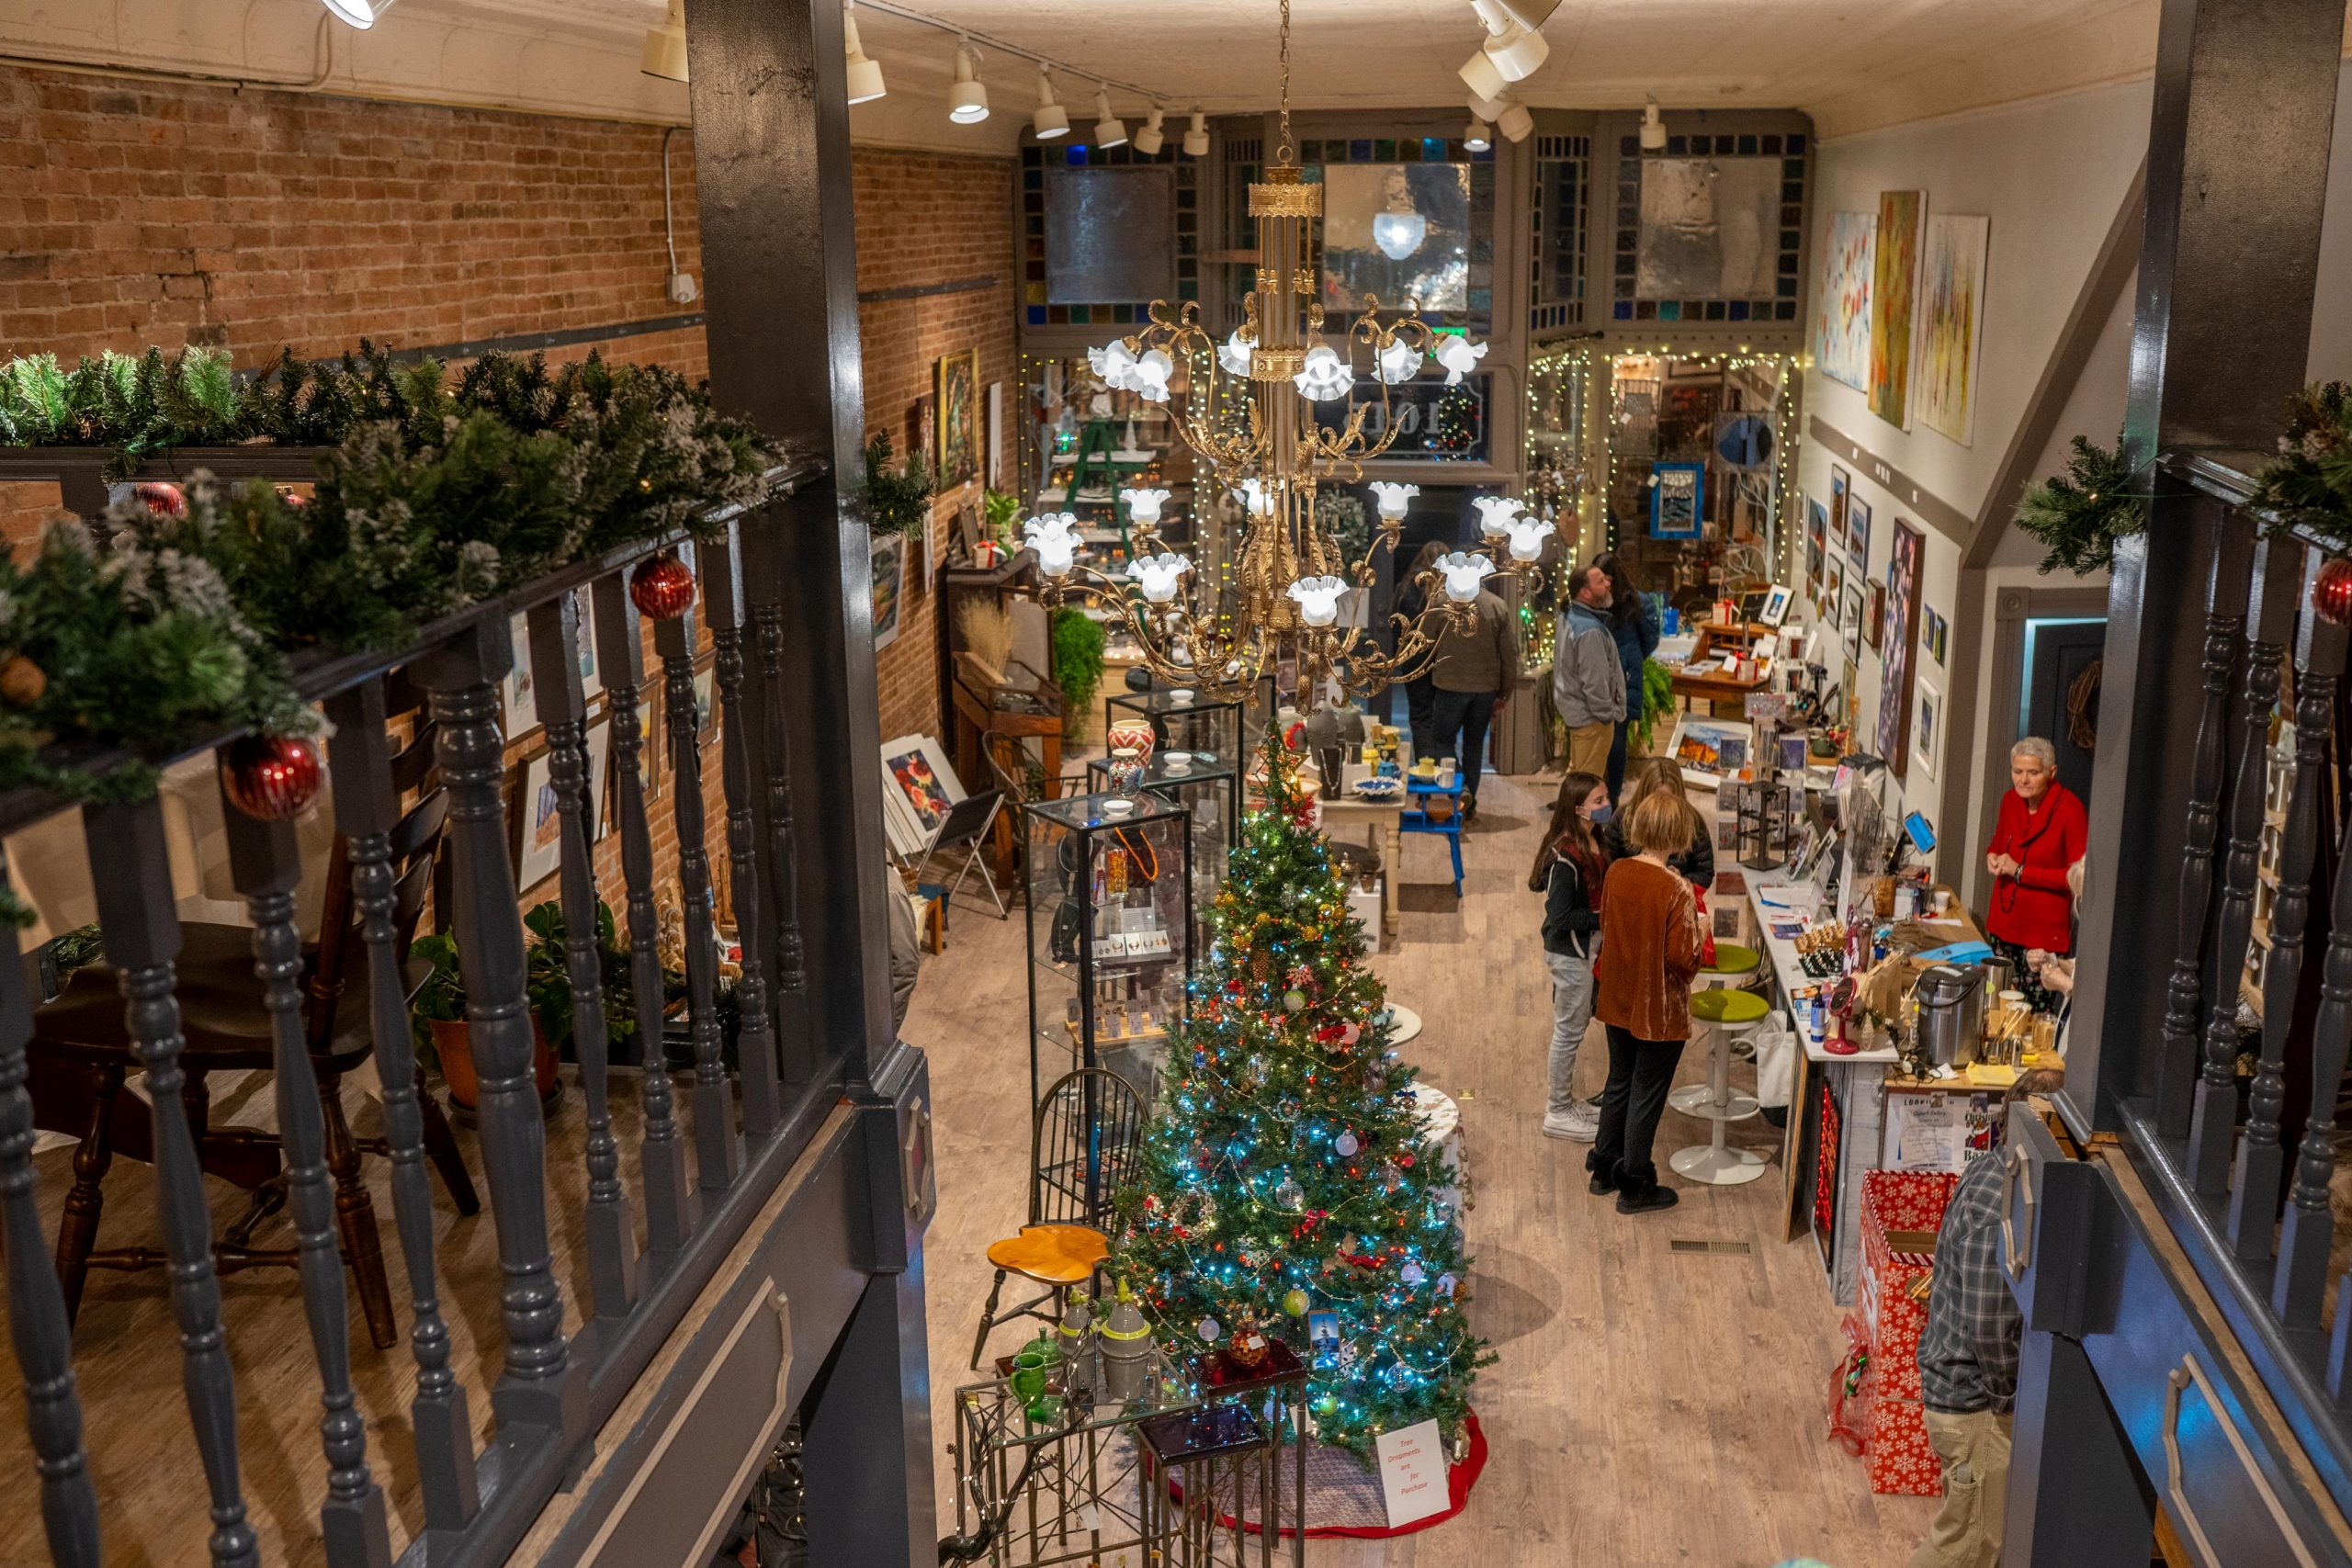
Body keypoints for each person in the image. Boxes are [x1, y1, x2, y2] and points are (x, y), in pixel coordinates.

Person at [1910, 1069, 2065, 1568]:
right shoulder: (1997, 1199)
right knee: (1965, 1548)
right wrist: (2010, 1402)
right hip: (1974, 1404)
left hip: (1966, 1395)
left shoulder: (1994, 1172)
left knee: (1970, 1538)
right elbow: (1988, 1318)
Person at [1589, 786, 1706, 1213]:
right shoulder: (1675, 889)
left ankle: (1604, 1166)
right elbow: (1683, 961)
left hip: (1618, 999)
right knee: (1647, 1092)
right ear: (1678, 834)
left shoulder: (1617, 871)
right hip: (1658, 1010)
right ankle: (1635, 1184)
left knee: (1618, 1081)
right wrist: (1702, 935)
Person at [1531, 769, 1612, 1143]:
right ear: (1579, 808)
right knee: (1568, 1031)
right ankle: (1557, 1110)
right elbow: (1560, 916)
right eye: (1599, 801)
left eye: (1606, 798)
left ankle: (1565, 1102)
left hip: (1585, 951)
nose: (1606, 805)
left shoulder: (1595, 841)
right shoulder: (1566, 856)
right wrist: (1603, 918)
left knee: (1574, 1028)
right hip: (1571, 955)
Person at [1984, 738, 2087, 1014]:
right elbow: (1998, 842)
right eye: (2017, 771)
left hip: (2042, 936)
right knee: (1996, 1008)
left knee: (2031, 1017)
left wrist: (2020, 871)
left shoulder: (2070, 810)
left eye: (2033, 772)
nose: (2023, 780)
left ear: (2051, 773)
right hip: (2003, 926)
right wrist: (1992, 857)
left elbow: (2076, 878)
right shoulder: (2009, 801)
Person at [1427, 556, 1520, 820]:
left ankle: (1460, 788)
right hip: (1485, 688)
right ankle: (1470, 805)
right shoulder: (1497, 606)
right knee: (1474, 744)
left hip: (1449, 684)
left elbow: (1424, 641)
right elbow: (1508, 655)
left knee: (1443, 740)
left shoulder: (1442, 603)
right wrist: (1505, 692)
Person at [1592, 552, 1660, 802]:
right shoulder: (1591, 602)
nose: (1605, 585)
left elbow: (1651, 639)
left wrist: (1630, 660)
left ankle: (1613, 796)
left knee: (1617, 741)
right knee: (1594, 740)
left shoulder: (1637, 601)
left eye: (1608, 579)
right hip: (1596, 678)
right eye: (1601, 579)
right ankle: (1592, 795)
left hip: (1624, 678)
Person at [1554, 559, 1625, 783]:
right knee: (1587, 787)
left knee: (1578, 778)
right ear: (1585, 592)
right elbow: (1594, 681)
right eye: (1600, 581)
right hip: (1591, 720)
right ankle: (1578, 819)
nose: (1608, 583)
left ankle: (1570, 817)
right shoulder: (1589, 630)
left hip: (1580, 715)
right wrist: (1606, 716)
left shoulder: (1570, 616)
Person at [1606, 755, 1714, 891]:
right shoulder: (1623, 817)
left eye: (1669, 799)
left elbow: (1705, 872)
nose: (1663, 807)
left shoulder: (1693, 822)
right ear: (1644, 794)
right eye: (1656, 799)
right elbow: (1608, 865)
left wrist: (1682, 880)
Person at [1395, 539, 1448, 761]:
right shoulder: (1449, 592)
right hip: (1442, 658)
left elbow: (1395, 625)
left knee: (1420, 716)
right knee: (1441, 715)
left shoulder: (1406, 587)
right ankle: (1443, 764)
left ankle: (1425, 764)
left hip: (1413, 657)